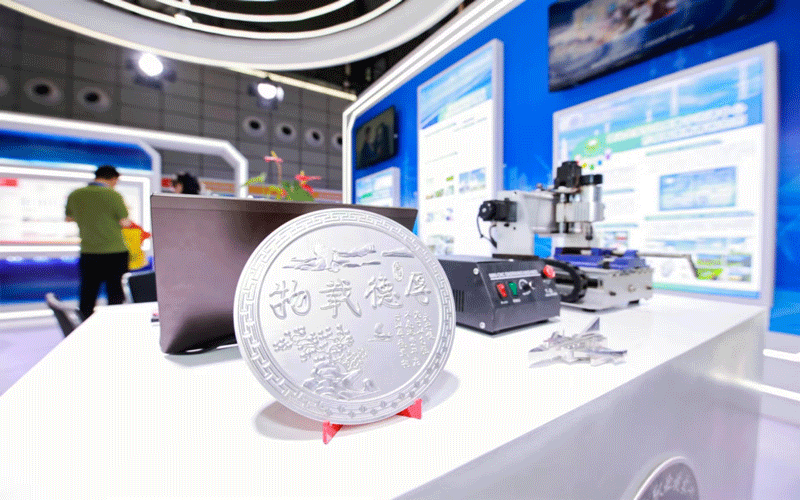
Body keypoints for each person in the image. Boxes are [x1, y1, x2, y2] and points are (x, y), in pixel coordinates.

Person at [65, 165, 132, 318]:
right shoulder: (113, 195)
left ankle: (84, 324)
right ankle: (114, 324)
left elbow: (69, 218)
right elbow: (125, 222)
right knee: (115, 294)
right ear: (113, 179)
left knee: (88, 293)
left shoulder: (75, 194)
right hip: (115, 251)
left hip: (89, 252)